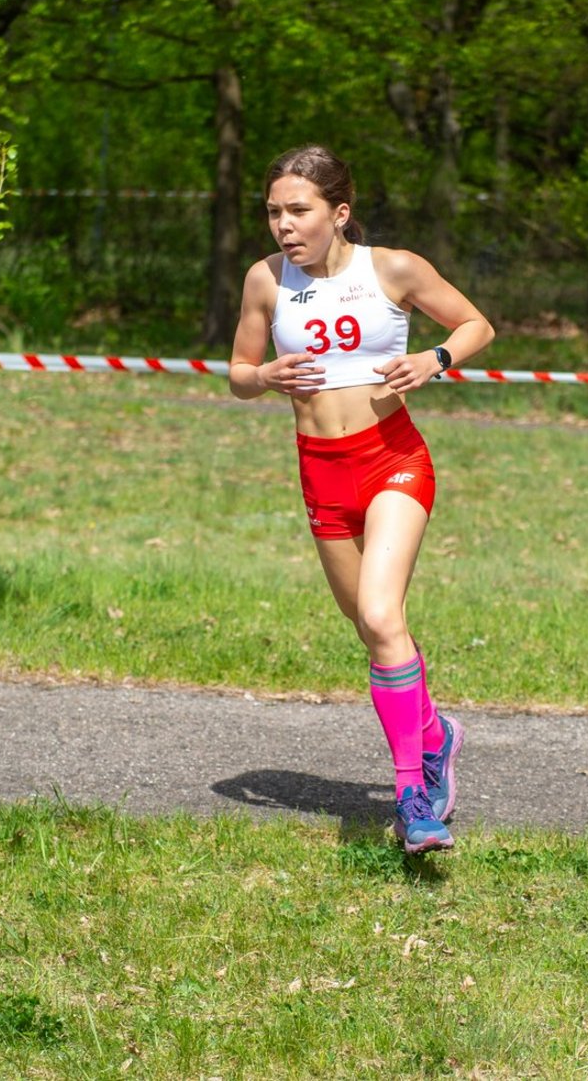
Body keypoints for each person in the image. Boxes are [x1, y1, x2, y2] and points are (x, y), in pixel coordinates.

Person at [228, 144, 495, 853]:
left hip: (393, 461)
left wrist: (433, 359)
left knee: (383, 614)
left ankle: (414, 796)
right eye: (273, 212)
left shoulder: (393, 268)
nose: (284, 225)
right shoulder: (265, 280)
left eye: (299, 211)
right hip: (321, 472)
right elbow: (237, 372)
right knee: (369, 628)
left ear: (338, 213)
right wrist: (266, 377)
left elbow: (476, 325)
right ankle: (436, 734)